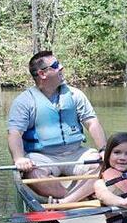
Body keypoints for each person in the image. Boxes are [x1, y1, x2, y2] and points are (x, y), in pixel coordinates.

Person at [7, 50, 107, 203]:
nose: (61, 67)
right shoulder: (24, 101)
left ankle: (69, 199)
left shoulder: (75, 95)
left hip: (75, 153)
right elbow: (15, 133)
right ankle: (75, 195)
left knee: (106, 165)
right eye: (55, 65)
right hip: (42, 156)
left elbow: (92, 122)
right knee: (32, 175)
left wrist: (104, 150)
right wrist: (19, 158)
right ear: (42, 74)